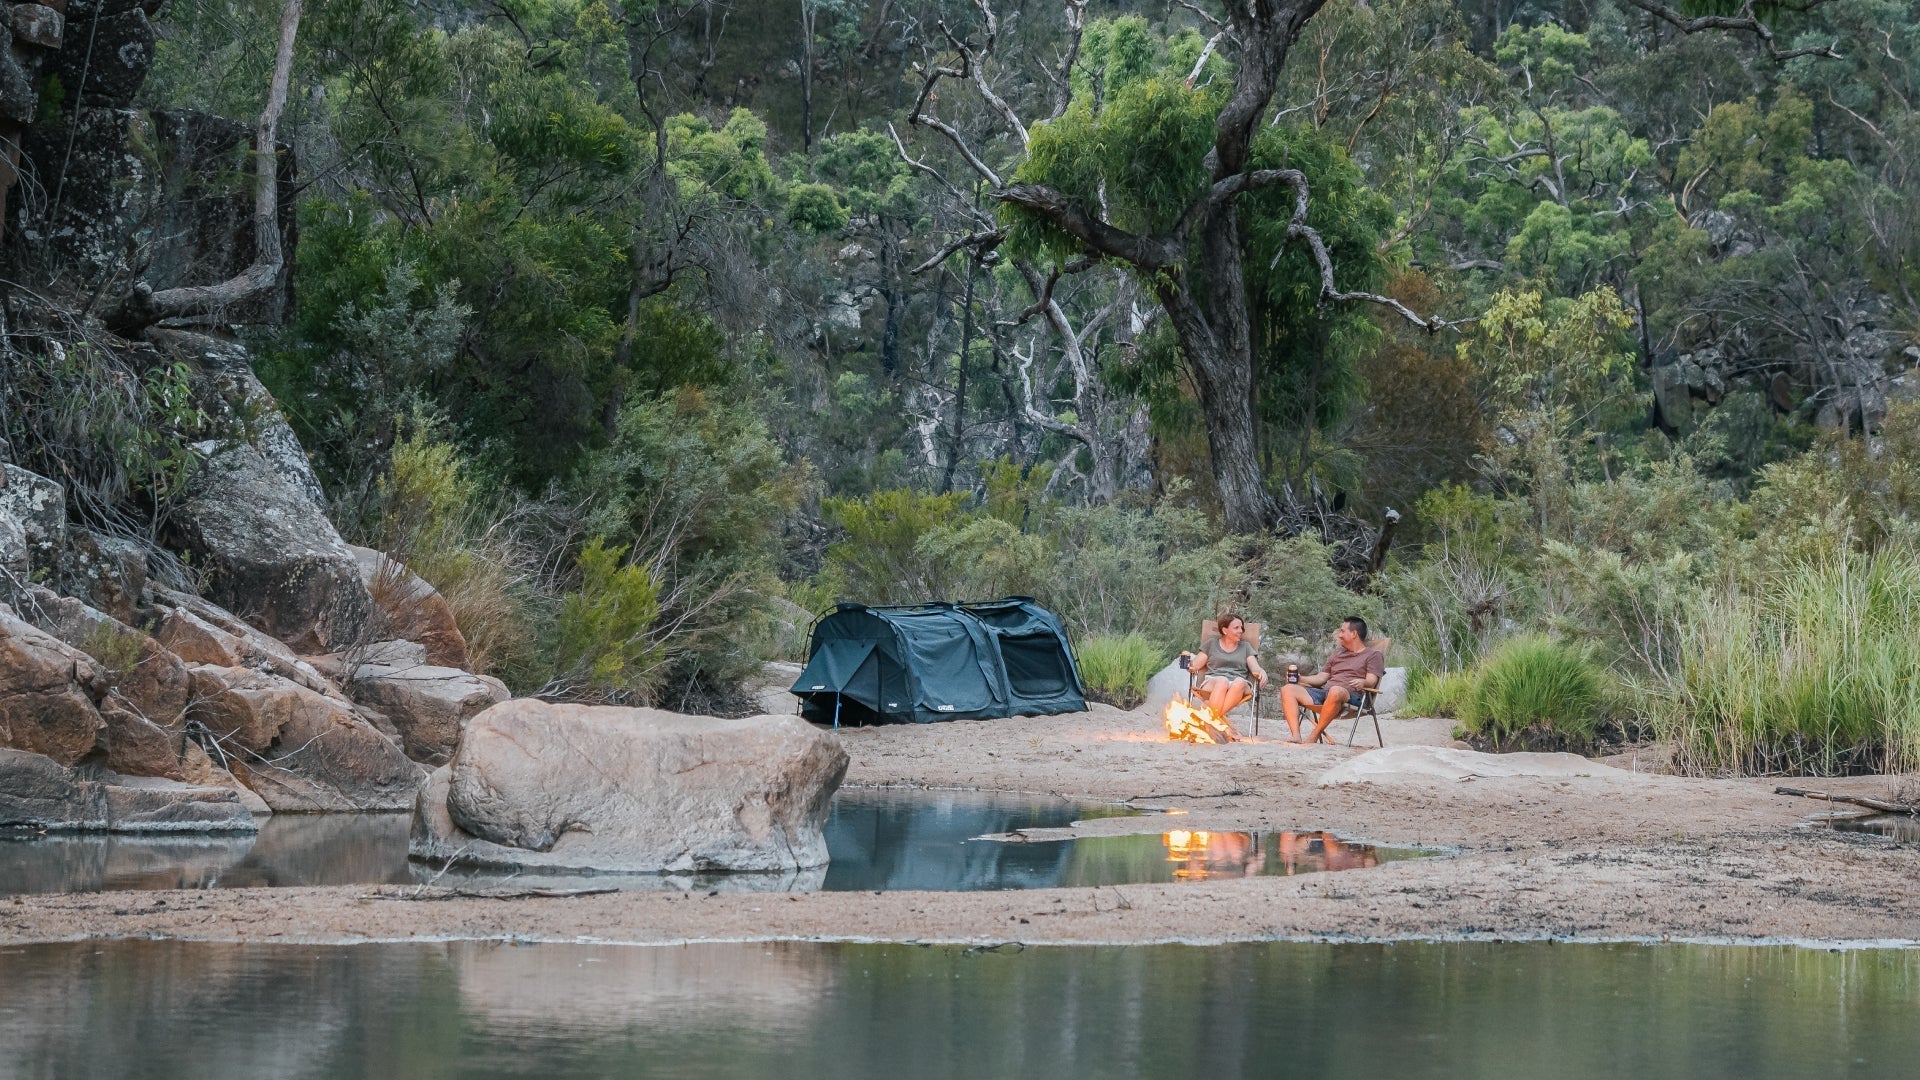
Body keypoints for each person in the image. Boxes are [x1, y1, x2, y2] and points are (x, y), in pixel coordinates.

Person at [1279, 616, 1385, 745]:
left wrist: (1363, 682)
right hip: (1327, 694)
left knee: (1336, 691)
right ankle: (1296, 736)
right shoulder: (1338, 653)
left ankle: (1314, 735)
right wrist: (1301, 679)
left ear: (1354, 634)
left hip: (1353, 697)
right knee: (1287, 689)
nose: (1339, 635)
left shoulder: (1373, 655)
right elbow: (1322, 677)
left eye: (1342, 631)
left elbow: (1372, 680)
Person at [1188, 612, 1268, 717]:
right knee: (1222, 681)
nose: (1241, 631)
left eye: (1242, 628)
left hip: (1238, 685)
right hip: (1214, 682)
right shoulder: (1212, 643)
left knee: (1239, 682)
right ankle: (1217, 718)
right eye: (1236, 628)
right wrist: (1187, 663)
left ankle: (1213, 718)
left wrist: (1262, 672)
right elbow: (1195, 666)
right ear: (1225, 630)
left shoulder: (1246, 647)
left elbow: (1255, 667)